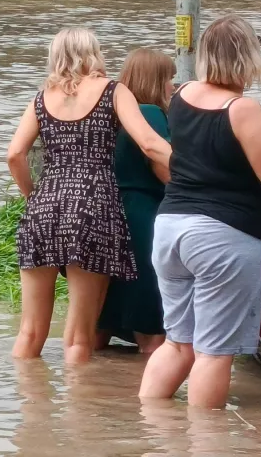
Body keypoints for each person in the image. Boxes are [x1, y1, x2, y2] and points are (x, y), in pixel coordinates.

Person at [138, 14, 261, 409]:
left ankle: (150, 431)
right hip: (221, 237)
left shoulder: (182, 95)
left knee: (179, 342)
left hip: (171, 228)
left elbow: (210, 154)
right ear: (247, 56)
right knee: (214, 352)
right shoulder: (242, 109)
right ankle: (206, 443)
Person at [6, 28, 173, 366]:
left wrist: (33, 197)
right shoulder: (113, 91)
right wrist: (198, 170)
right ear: (93, 53)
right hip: (93, 210)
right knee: (79, 338)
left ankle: (28, 410)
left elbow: (14, 155)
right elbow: (149, 144)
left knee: (29, 332)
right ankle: (80, 413)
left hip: (44, 206)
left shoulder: (41, 99)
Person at [95, 49, 175, 354]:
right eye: (168, 78)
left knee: (97, 326)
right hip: (142, 217)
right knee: (151, 332)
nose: (172, 86)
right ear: (155, 81)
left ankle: (86, 392)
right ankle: (144, 398)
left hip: (105, 214)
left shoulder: (104, 114)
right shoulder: (151, 114)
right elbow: (165, 171)